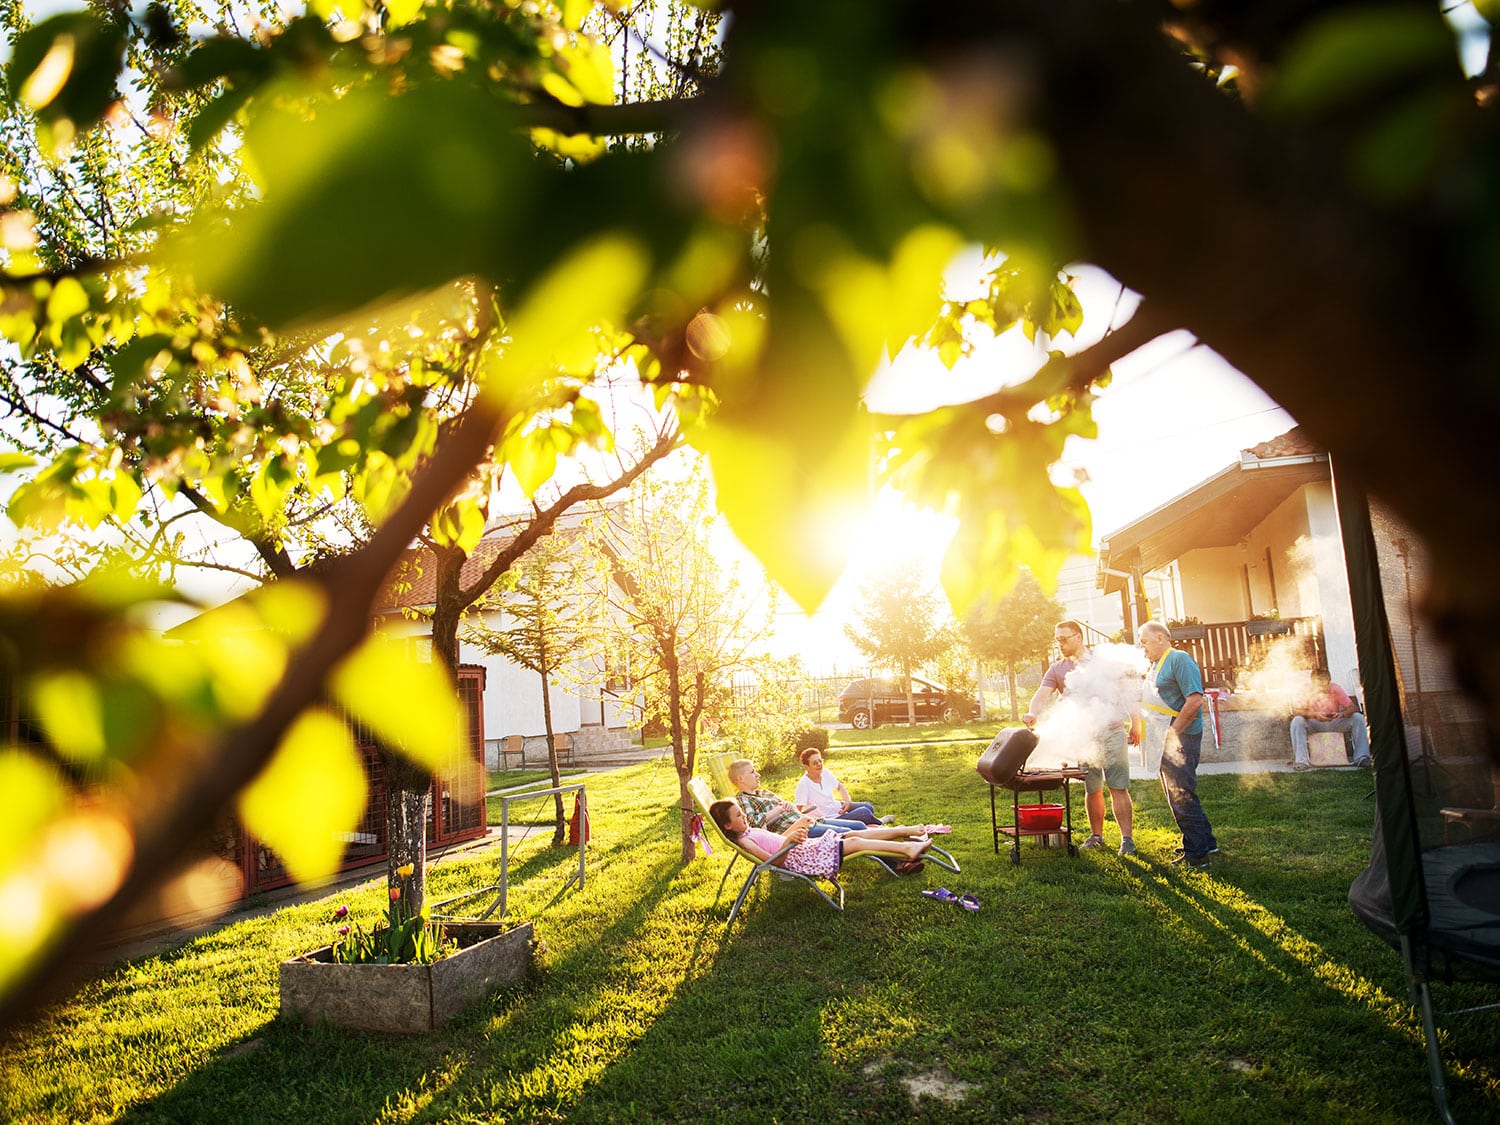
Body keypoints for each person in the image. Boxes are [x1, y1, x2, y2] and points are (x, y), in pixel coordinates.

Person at [1024, 619, 1136, 856]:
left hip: (1112, 731)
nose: (1060, 644)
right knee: (1092, 788)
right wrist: (1032, 713)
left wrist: (1135, 722)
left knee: (1118, 787)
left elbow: (1126, 691)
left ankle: (1127, 840)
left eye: (1064, 639)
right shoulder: (1057, 669)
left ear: (1078, 637)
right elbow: (1041, 695)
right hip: (1084, 738)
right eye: (1057, 640)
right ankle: (1097, 836)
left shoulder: (1103, 662)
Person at [1137, 621, 1219, 868]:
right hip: (1164, 736)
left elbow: (1194, 701)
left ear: (1161, 638)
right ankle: (1206, 842)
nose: (1142, 648)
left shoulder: (1179, 660)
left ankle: (1196, 855)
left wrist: (1172, 734)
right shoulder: (1155, 665)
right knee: (1181, 793)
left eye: (1145, 642)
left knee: (1181, 795)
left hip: (1180, 738)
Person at [708, 800, 933, 877]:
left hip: (803, 848)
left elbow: (778, 841)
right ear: (727, 825)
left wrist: (796, 826)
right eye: (738, 815)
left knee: (852, 834)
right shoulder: (745, 842)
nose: (744, 815)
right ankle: (906, 850)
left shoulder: (749, 832)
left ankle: (906, 832)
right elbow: (772, 862)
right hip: (802, 858)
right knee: (854, 843)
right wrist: (789, 842)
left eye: (742, 811)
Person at [728, 759, 869, 837]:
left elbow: (787, 807)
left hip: (809, 821)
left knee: (859, 826)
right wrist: (778, 809)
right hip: (797, 831)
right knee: (850, 834)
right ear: (740, 779)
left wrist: (788, 806)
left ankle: (885, 848)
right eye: (753, 772)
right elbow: (753, 825)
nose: (758, 774)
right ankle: (888, 856)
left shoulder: (764, 793)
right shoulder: (743, 800)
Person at [1289, 669, 1372, 770]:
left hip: (1334, 723)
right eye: (1319, 686)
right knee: (1297, 721)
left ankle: (1362, 757)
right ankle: (1302, 761)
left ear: (1329, 682)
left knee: (1358, 718)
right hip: (1313, 723)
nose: (1322, 689)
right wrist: (1314, 714)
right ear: (1312, 682)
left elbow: (1353, 707)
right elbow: (1296, 711)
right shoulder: (1305, 690)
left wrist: (1342, 714)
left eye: (1324, 685)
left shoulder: (1335, 688)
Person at [793, 748, 883, 826]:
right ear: (806, 767)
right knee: (864, 813)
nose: (819, 764)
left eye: (820, 761)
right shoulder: (803, 784)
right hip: (830, 818)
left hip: (837, 807)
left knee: (868, 806)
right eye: (815, 763)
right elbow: (798, 809)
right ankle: (880, 822)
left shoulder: (825, 772)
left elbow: (840, 787)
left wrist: (847, 801)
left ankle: (872, 821)